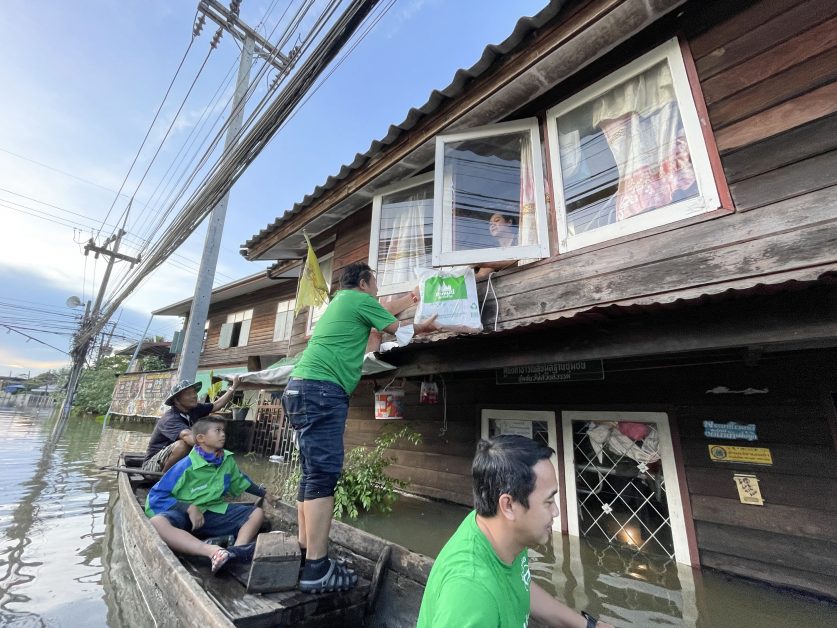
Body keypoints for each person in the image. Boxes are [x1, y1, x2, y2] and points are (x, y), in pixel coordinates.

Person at [282, 260, 440, 593]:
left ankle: (304, 546)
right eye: (376, 283)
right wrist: (423, 326)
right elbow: (399, 330)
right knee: (323, 476)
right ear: (365, 282)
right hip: (322, 390)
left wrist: (413, 297)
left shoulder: (341, 302)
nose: (379, 290)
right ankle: (317, 569)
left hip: (299, 387)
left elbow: (386, 310)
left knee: (312, 472)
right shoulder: (360, 301)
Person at [417, 435, 614, 628]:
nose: (555, 511)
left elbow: (521, 584)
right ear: (509, 505)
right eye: (548, 502)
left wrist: (588, 625)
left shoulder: (495, 527)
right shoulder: (471, 592)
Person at [145, 417, 268, 574]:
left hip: (211, 513)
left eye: (223, 430)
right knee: (157, 522)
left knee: (257, 513)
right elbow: (155, 497)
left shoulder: (226, 460)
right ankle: (212, 551)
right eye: (217, 430)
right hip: (185, 516)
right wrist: (189, 507)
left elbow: (242, 481)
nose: (223, 434)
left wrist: (265, 494)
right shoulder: (186, 466)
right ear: (201, 438)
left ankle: (236, 552)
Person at [142, 375, 241, 472]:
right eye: (189, 394)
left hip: (175, 460)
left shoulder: (194, 409)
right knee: (183, 445)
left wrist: (233, 387)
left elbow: (216, 405)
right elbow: (187, 436)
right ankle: (163, 480)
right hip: (152, 466)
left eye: (194, 392)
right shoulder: (170, 418)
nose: (194, 396)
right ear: (176, 400)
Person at [475, 212, 519, 280]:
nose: (492, 225)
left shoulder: (521, 240)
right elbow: (482, 275)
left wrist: (483, 263)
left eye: (497, 220)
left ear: (509, 222)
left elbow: (522, 261)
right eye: (490, 224)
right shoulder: (493, 250)